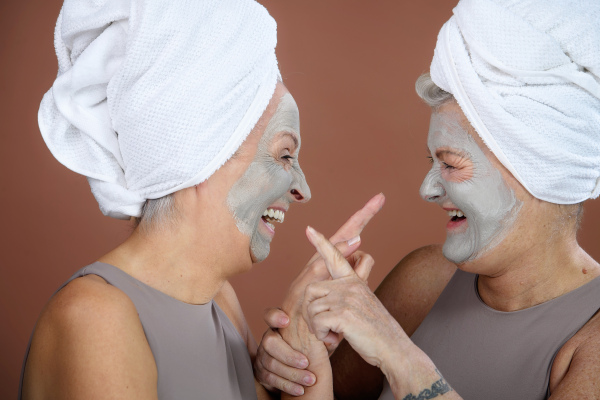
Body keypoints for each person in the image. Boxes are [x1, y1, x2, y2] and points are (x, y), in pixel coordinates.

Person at [18, 0, 385, 398]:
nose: (302, 188)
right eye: (283, 155)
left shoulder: (219, 302)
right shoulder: (96, 320)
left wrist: (304, 348)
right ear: (196, 159)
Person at [254, 0, 600, 398]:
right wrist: (291, 365)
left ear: (539, 169)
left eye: (451, 164)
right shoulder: (425, 279)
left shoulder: (589, 339)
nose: (428, 188)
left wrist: (400, 355)